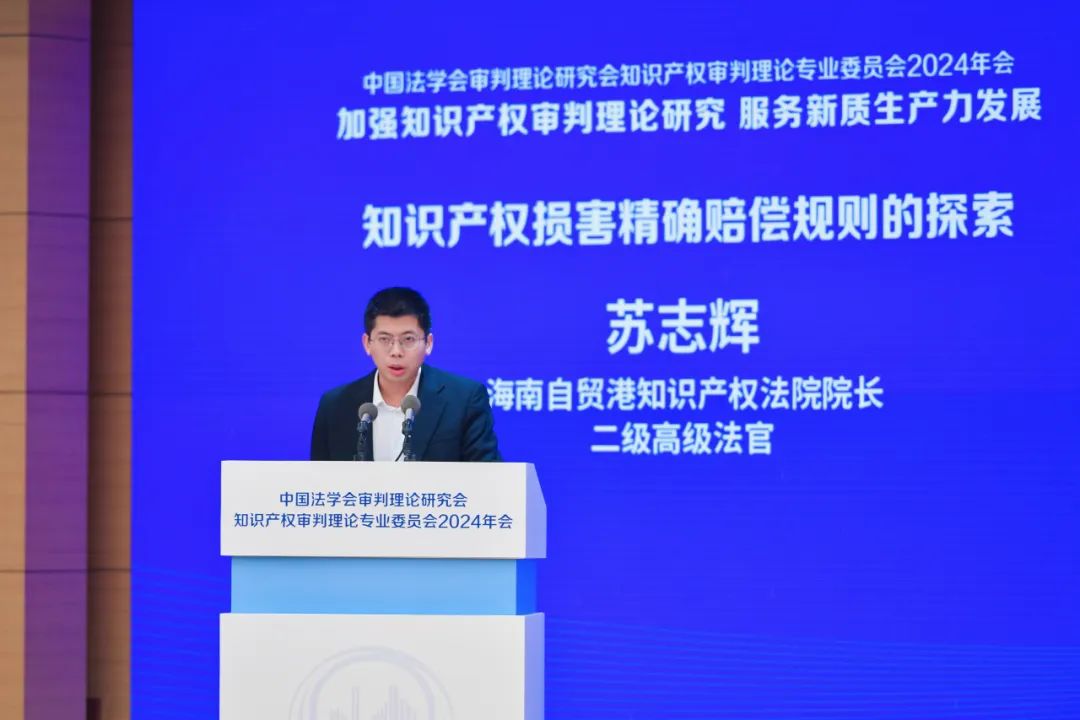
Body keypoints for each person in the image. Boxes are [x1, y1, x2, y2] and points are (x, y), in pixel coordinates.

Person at [310, 287, 501, 461]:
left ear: (428, 343)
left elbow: (488, 476)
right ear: (367, 344)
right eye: (384, 339)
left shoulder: (464, 400)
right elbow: (318, 480)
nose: (396, 351)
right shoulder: (335, 406)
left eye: (408, 339)